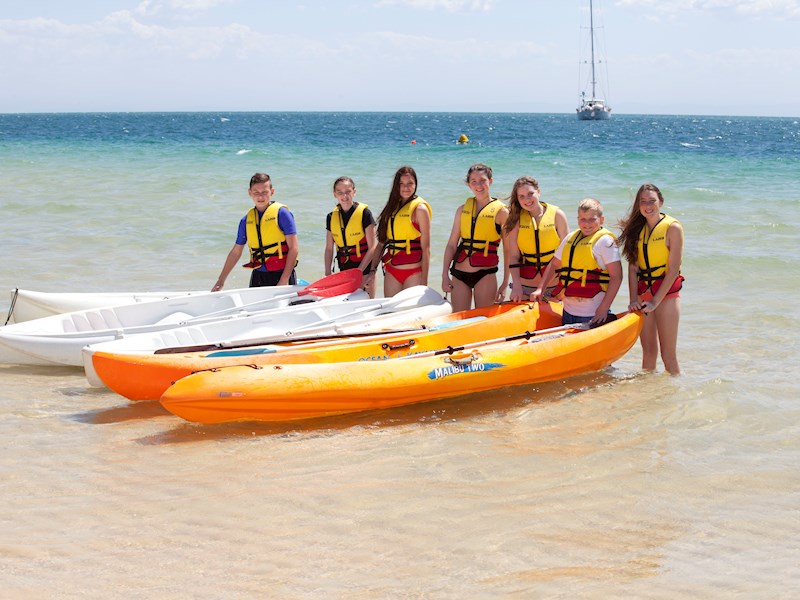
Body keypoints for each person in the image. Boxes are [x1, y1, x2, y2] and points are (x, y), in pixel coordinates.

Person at [618, 183, 684, 375]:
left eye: (652, 201)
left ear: (661, 202)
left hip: (666, 296)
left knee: (668, 355)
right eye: (643, 201)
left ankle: (676, 397)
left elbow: (672, 271)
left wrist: (656, 301)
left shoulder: (673, 228)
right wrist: (632, 300)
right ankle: (649, 396)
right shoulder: (637, 229)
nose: (648, 205)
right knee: (648, 353)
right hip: (643, 296)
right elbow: (632, 269)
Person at [531, 198, 622, 326]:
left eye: (592, 219)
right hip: (567, 311)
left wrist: (603, 309)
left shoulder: (606, 242)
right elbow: (555, 264)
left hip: (593, 313)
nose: (587, 224)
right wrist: (541, 289)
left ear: (601, 220)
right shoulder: (570, 238)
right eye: (582, 219)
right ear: (578, 219)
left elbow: (616, 277)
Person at [211, 172, 299, 290]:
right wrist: (220, 281)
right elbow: (236, 252)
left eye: (265, 192)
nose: (260, 197)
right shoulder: (246, 220)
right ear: (249, 193)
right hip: (258, 276)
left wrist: (284, 279)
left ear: (272, 192)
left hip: (282, 274)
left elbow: (294, 248)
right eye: (256, 192)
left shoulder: (282, 214)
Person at [441, 163, 509, 312]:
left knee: (482, 321)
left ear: (490, 181)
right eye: (474, 182)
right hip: (459, 275)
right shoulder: (462, 210)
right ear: (468, 184)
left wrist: (505, 283)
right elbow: (452, 244)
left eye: (483, 180)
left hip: (485, 275)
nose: (479, 185)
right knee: (458, 320)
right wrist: (444, 275)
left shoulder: (502, 212)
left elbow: (508, 251)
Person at [501, 176, 569, 303]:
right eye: (521, 196)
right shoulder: (516, 220)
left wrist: (563, 288)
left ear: (538, 192)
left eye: (530, 194)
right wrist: (516, 286)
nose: (527, 199)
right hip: (525, 288)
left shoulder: (557, 215)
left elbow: (567, 255)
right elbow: (514, 256)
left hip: (554, 287)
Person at [373, 166, 431, 297]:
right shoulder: (391, 208)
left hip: (414, 272)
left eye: (410, 183)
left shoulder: (420, 209)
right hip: (392, 271)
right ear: (396, 186)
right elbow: (381, 244)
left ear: (416, 185)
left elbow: (426, 248)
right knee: (391, 312)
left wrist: (424, 281)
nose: (406, 188)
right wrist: (372, 271)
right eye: (402, 184)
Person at [324, 176, 378, 298]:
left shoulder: (365, 214)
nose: (345, 196)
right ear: (335, 194)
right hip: (345, 271)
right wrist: (327, 273)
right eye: (340, 193)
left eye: (348, 192)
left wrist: (359, 272)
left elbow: (372, 247)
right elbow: (329, 249)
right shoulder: (331, 217)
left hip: (364, 271)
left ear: (354, 192)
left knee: (365, 306)